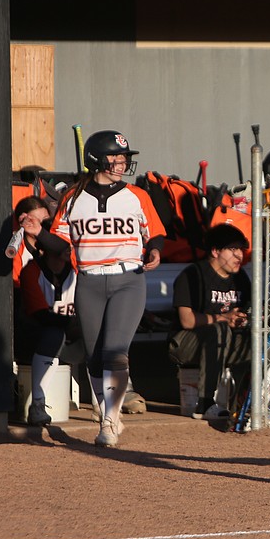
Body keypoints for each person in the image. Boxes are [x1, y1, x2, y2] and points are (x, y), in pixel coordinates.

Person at [36, 130, 164, 447]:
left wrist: (155, 250)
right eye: (115, 157)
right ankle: (108, 411)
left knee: (115, 351)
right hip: (90, 281)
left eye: (124, 158)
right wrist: (36, 231)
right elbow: (61, 243)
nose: (122, 163)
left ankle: (109, 419)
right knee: (94, 356)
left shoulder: (137, 196)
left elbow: (155, 233)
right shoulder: (74, 198)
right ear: (96, 159)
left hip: (128, 279)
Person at [167, 223, 252, 420]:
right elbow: (187, 321)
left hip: (227, 341)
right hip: (185, 344)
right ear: (215, 251)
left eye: (241, 249)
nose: (239, 255)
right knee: (219, 330)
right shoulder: (193, 274)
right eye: (232, 249)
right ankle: (204, 403)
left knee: (258, 338)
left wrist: (242, 319)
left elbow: (245, 311)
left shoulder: (241, 278)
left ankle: (247, 401)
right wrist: (224, 318)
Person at [18, 236, 82, 427]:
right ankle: (37, 405)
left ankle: (103, 408)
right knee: (54, 334)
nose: (67, 249)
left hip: (69, 335)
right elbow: (40, 316)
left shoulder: (75, 271)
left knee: (97, 335)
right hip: (34, 339)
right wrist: (73, 324)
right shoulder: (31, 271)